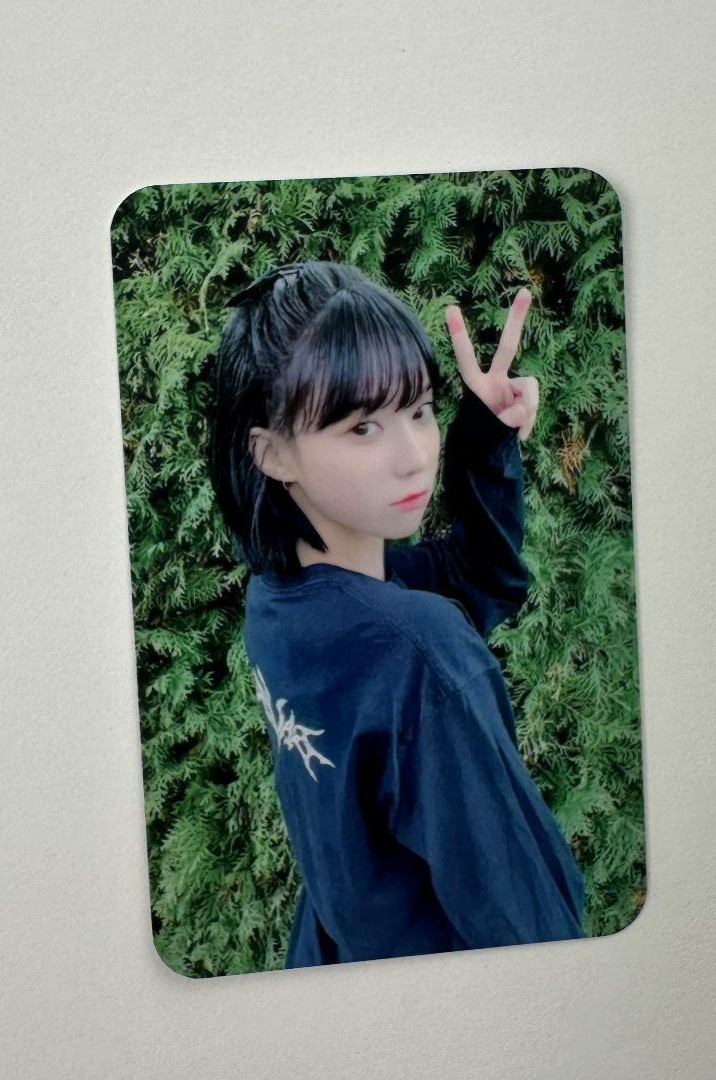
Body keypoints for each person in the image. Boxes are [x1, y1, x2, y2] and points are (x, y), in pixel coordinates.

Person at [207, 259, 585, 967]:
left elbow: (474, 581)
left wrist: (485, 437)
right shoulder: (418, 655)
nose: (414, 457)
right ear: (273, 453)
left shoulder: (281, 597)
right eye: (363, 428)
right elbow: (535, 940)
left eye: (420, 411)